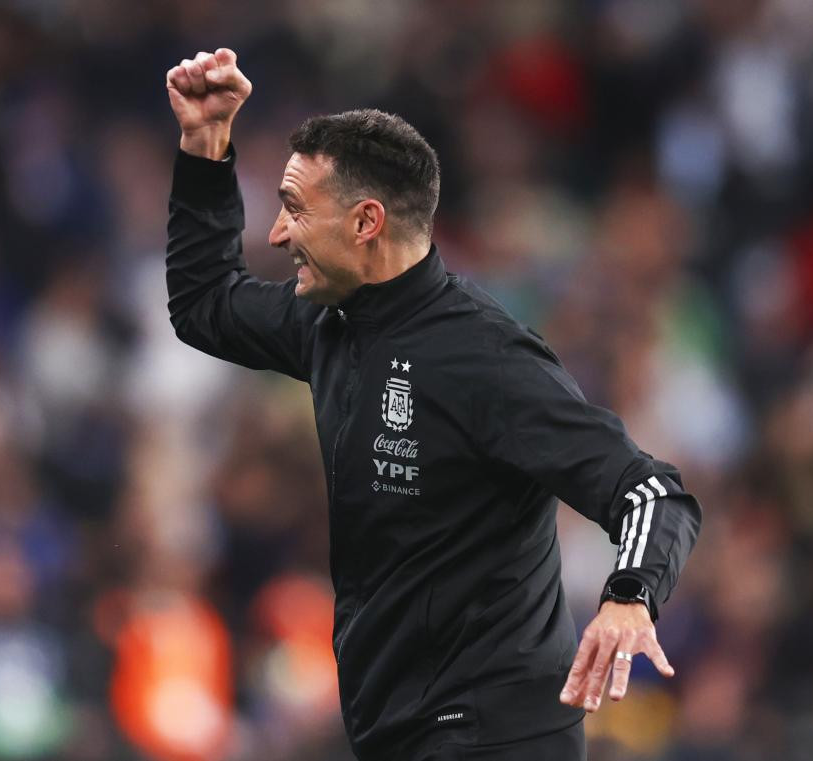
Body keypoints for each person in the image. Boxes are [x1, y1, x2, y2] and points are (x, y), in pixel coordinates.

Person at [164, 48, 701, 761]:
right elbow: (204, 304)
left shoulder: (487, 358)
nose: (276, 232)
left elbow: (652, 492)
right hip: (398, 731)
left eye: (294, 209)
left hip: (494, 735)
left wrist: (628, 595)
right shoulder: (330, 323)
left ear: (366, 222)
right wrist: (205, 146)